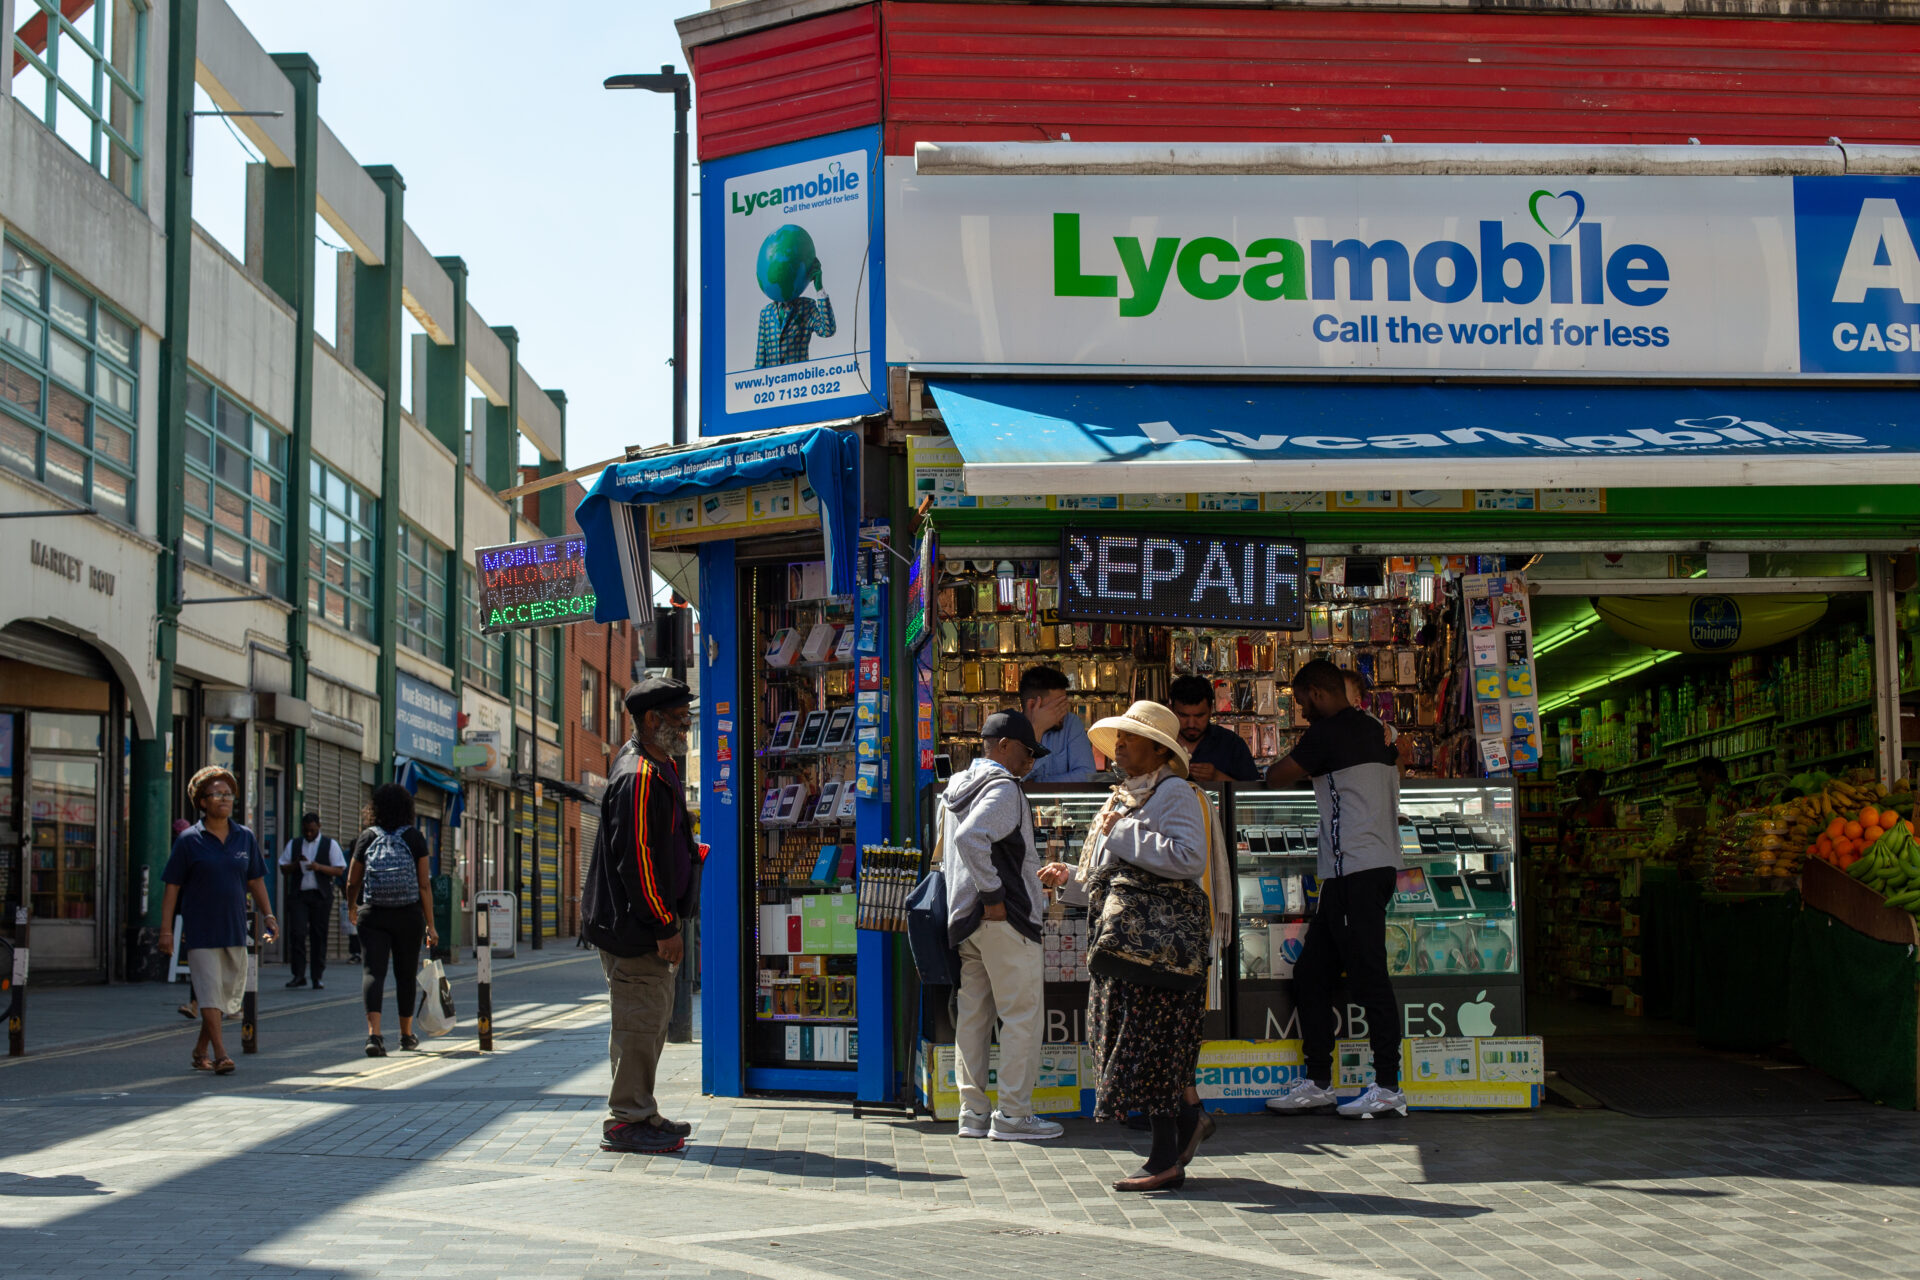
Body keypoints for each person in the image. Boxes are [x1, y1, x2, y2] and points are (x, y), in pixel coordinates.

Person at [1040, 701, 1214, 1193]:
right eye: (1117, 738)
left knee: (1152, 1048)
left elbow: (1187, 858)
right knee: (1135, 1044)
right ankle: (1189, 1125)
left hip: (1157, 948)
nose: (1119, 746)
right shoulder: (1120, 798)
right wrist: (1071, 879)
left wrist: (1124, 829)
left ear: (1158, 749)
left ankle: (1164, 1159)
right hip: (1125, 947)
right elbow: (1109, 878)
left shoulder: (1173, 793)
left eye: (1129, 738)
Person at [1262, 659, 1407, 1120]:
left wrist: (1302, 762)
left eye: (1302, 702)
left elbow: (1274, 776)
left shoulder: (1326, 733)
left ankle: (1388, 1086)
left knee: (1370, 978)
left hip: (1357, 872)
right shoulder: (1376, 728)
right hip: (1362, 870)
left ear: (1319, 695)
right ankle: (1318, 1082)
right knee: (1311, 974)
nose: (1301, 712)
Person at [582, 676, 705, 1154]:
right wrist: (665, 926)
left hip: (645, 928)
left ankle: (641, 1109)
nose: (687, 728)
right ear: (651, 721)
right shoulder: (639, 776)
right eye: (680, 720)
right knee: (638, 1023)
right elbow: (637, 859)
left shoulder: (659, 765)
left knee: (650, 1020)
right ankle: (627, 1120)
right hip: (638, 932)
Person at [940, 709, 1062, 1142]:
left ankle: (972, 1115)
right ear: (1006, 746)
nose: (1031, 762)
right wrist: (993, 896)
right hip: (1002, 916)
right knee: (1022, 1016)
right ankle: (1013, 1114)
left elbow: (949, 849)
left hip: (966, 921)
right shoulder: (1004, 789)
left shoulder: (955, 786)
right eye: (1028, 752)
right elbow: (969, 838)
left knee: (973, 1018)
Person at [159, 767, 276, 1075]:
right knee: (211, 992)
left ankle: (200, 1050)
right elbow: (172, 887)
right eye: (216, 794)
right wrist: (166, 931)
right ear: (202, 802)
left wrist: (269, 915)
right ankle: (222, 1054)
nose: (224, 799)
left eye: (227, 794)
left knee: (225, 998)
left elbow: (256, 880)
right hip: (201, 930)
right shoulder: (188, 841)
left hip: (235, 928)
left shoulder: (244, 837)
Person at [344, 784, 438, 1058]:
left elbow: (352, 880)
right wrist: (430, 924)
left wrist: (352, 906)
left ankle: (374, 1036)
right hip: (408, 914)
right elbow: (424, 887)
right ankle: (406, 1035)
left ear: (375, 809)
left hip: (373, 914)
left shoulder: (367, 837)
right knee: (405, 974)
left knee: (373, 972)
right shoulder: (414, 838)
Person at [279, 812, 346, 989]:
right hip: (299, 895)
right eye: (306, 831)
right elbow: (283, 868)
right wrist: (295, 864)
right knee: (297, 934)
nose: (308, 834)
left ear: (319, 827)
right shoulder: (294, 844)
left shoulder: (330, 844)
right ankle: (298, 975)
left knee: (319, 936)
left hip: (320, 896)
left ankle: (317, 976)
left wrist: (319, 867)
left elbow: (340, 870)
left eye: (312, 830)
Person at [1167, 675, 1259, 784]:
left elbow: (1250, 794)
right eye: (1183, 715)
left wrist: (1217, 777)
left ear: (1211, 710)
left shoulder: (1231, 744)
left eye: (1199, 716)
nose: (1191, 724)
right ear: (1171, 710)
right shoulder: (1158, 743)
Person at [1018, 665, 1098, 783]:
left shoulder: (1070, 724)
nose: (1064, 711)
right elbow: (1009, 780)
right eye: (1058, 706)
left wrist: (1038, 782)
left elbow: (1087, 775)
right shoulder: (1009, 729)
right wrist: (1037, 729)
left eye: (1065, 704)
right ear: (1032, 705)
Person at [1695, 756, 1737, 822]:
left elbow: (1713, 827)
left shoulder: (1718, 795)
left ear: (1712, 774)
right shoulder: (1730, 792)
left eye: (1700, 779)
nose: (1698, 784)